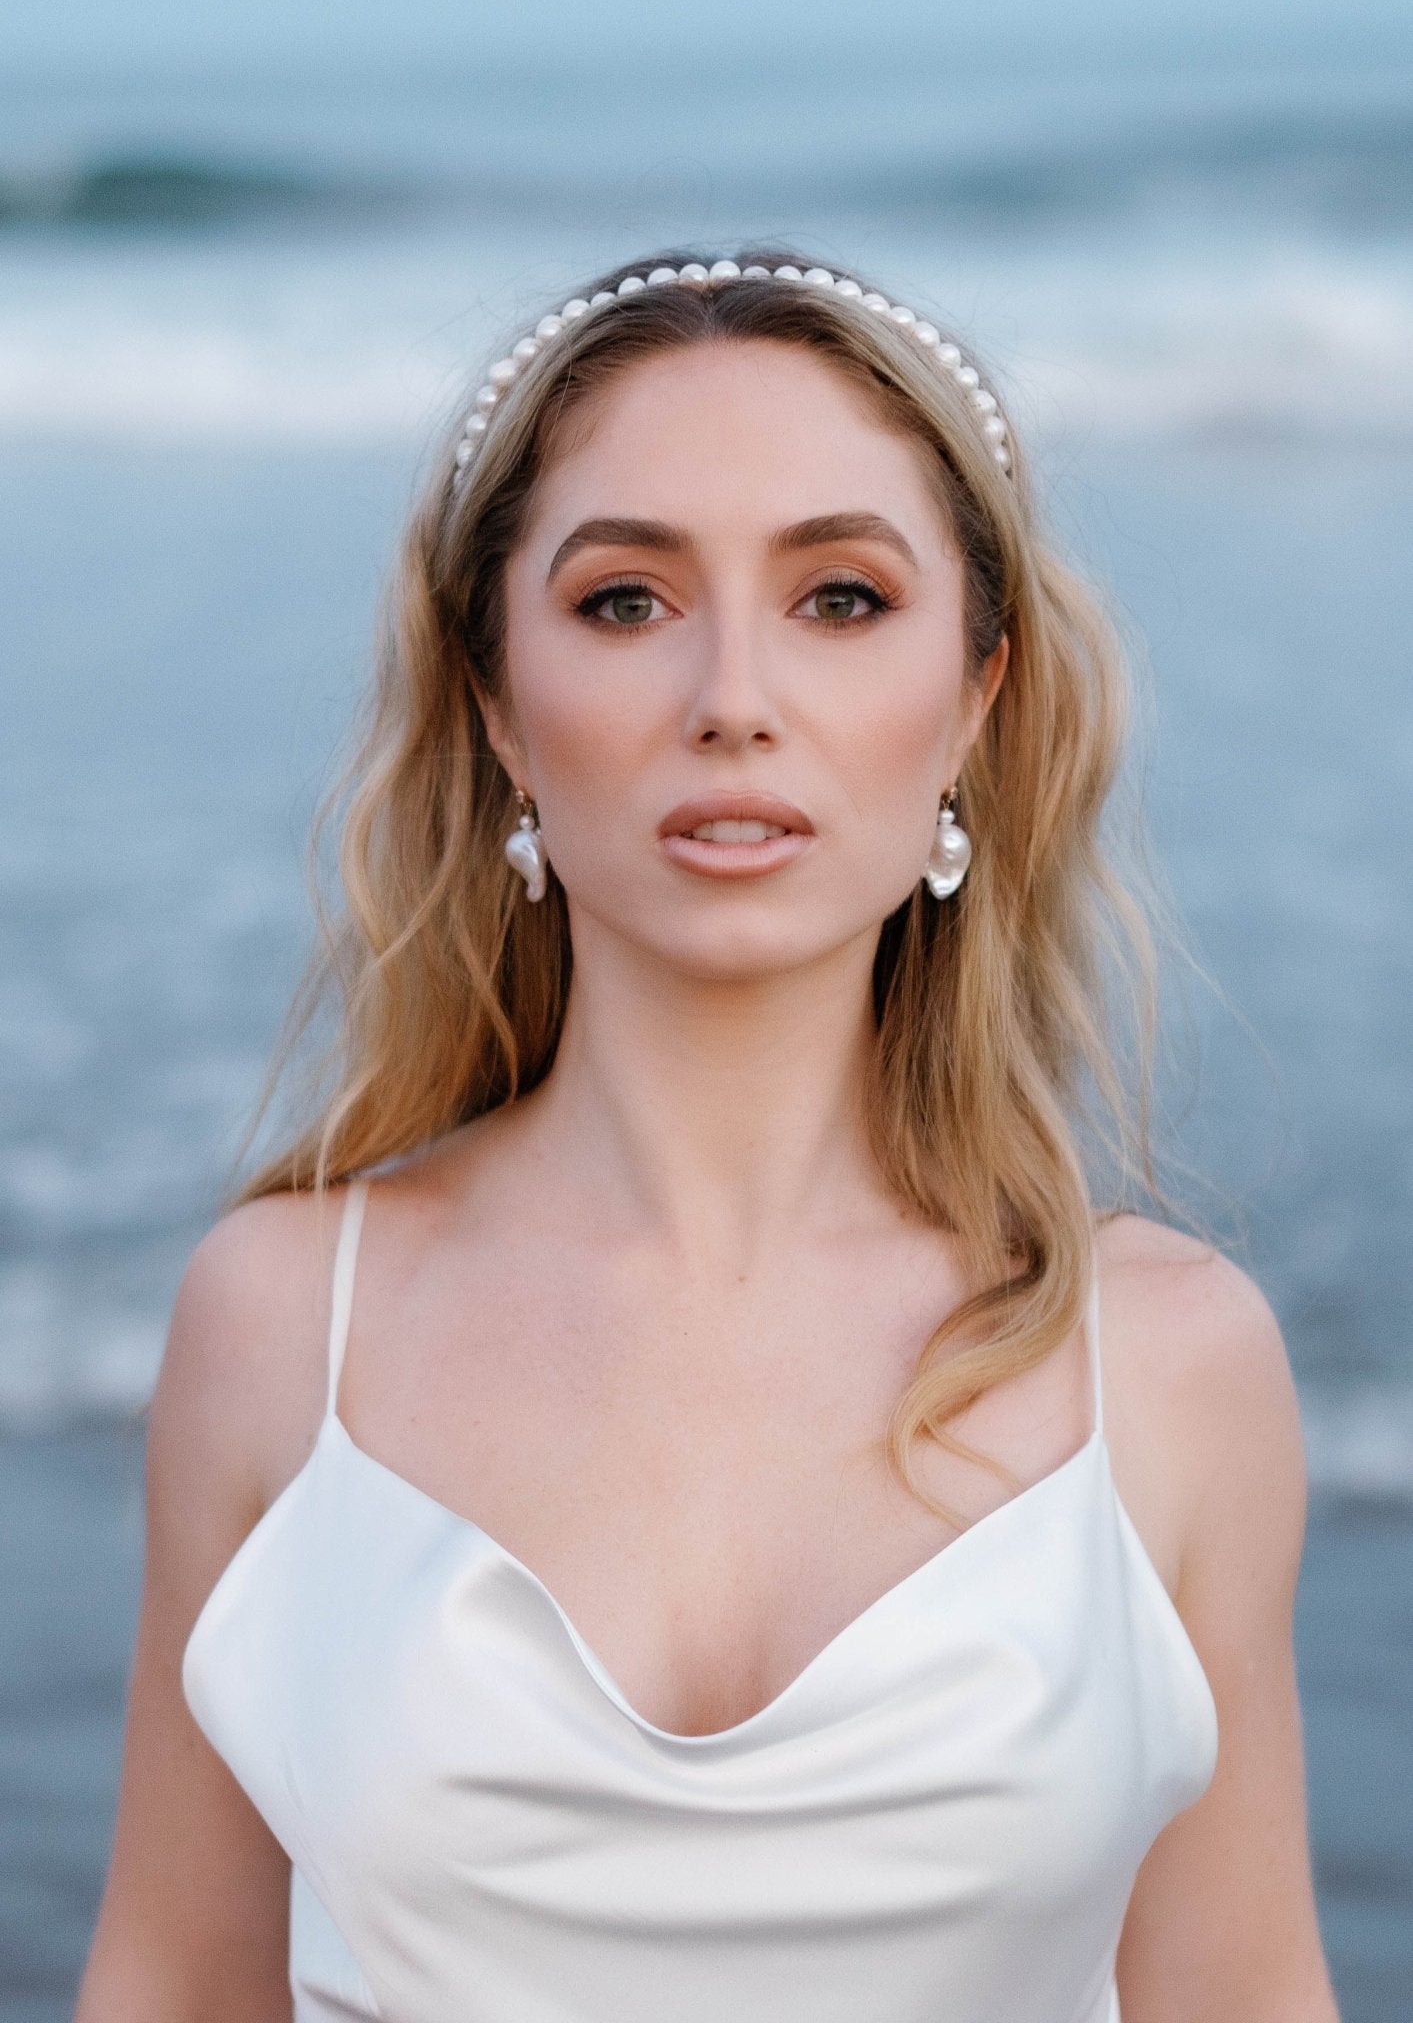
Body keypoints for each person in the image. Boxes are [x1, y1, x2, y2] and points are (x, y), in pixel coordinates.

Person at [76, 249, 1340, 2022]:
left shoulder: (1171, 1362)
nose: (732, 696)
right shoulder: (288, 1325)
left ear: (974, 697)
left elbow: (1244, 1995)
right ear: (500, 706)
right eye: (621, 603)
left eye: (837, 599)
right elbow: (169, 1988)